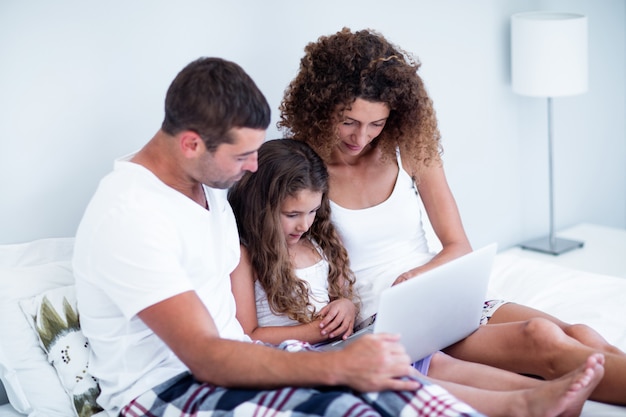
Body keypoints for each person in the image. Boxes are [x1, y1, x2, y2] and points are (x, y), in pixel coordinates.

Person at [72, 56, 494, 417]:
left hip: (239, 362)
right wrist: (336, 367)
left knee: (399, 380)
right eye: (242, 155)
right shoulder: (128, 215)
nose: (254, 166)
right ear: (190, 144)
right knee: (354, 405)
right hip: (168, 387)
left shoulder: (207, 188)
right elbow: (204, 354)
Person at [278, 27, 626, 406]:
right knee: (540, 337)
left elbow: (458, 244)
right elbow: (283, 260)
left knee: (578, 331)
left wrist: (415, 278)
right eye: (349, 121)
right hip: (386, 321)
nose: (362, 137)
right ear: (322, 105)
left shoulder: (405, 149)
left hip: (439, 294)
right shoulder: (302, 170)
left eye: (376, 124)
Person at [227, 137, 605, 417]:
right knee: (404, 373)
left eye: (311, 212)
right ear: (263, 205)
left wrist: (343, 305)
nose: (304, 224)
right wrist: (314, 333)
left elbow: (342, 297)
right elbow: (248, 335)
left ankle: (544, 395)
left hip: (342, 342)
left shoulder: (317, 244)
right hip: (304, 355)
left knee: (436, 361)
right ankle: (521, 405)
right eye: (293, 214)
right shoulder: (245, 256)